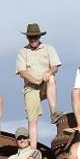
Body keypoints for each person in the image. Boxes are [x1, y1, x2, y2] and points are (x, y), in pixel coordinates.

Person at [15, 22, 62, 150]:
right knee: (32, 119)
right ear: (27, 38)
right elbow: (22, 72)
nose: (33, 39)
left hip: (45, 82)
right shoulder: (22, 52)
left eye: (35, 36)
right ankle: (33, 150)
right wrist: (34, 81)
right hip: (31, 86)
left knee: (51, 78)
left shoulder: (48, 49)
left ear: (39, 37)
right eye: (30, 37)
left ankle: (54, 112)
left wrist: (48, 72)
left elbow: (55, 66)